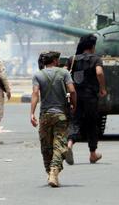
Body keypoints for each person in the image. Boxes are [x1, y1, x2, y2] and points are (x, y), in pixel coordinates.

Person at [30, 51, 77, 187]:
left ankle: (49, 172)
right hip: (61, 115)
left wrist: (31, 113)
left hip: (45, 115)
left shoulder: (38, 75)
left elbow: (35, 94)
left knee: (46, 146)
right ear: (56, 61)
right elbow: (72, 91)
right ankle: (54, 172)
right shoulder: (64, 73)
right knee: (60, 145)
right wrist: (74, 105)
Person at [66, 34, 107, 164]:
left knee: (75, 121)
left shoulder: (72, 59)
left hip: (75, 96)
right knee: (91, 124)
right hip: (90, 97)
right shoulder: (96, 59)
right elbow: (99, 72)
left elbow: (65, 73)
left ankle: (69, 145)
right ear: (93, 46)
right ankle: (93, 154)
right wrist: (102, 88)